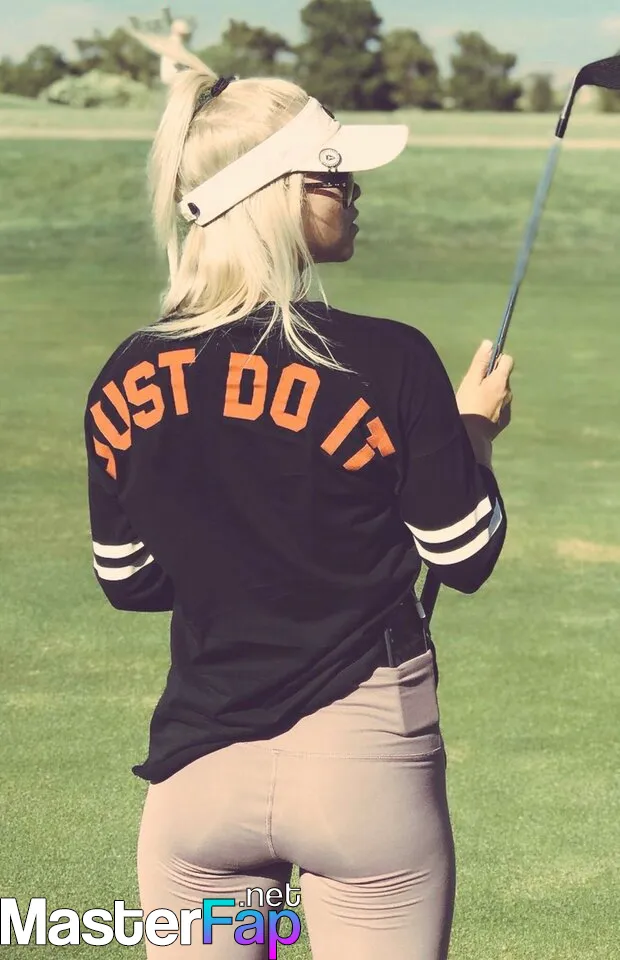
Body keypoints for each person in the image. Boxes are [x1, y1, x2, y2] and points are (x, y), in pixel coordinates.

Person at [84, 66, 514, 960]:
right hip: (364, 771)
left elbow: (128, 581)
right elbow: (465, 553)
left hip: (198, 776)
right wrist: (472, 432)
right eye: (333, 176)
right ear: (272, 191)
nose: (353, 194)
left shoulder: (126, 371)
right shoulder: (390, 358)